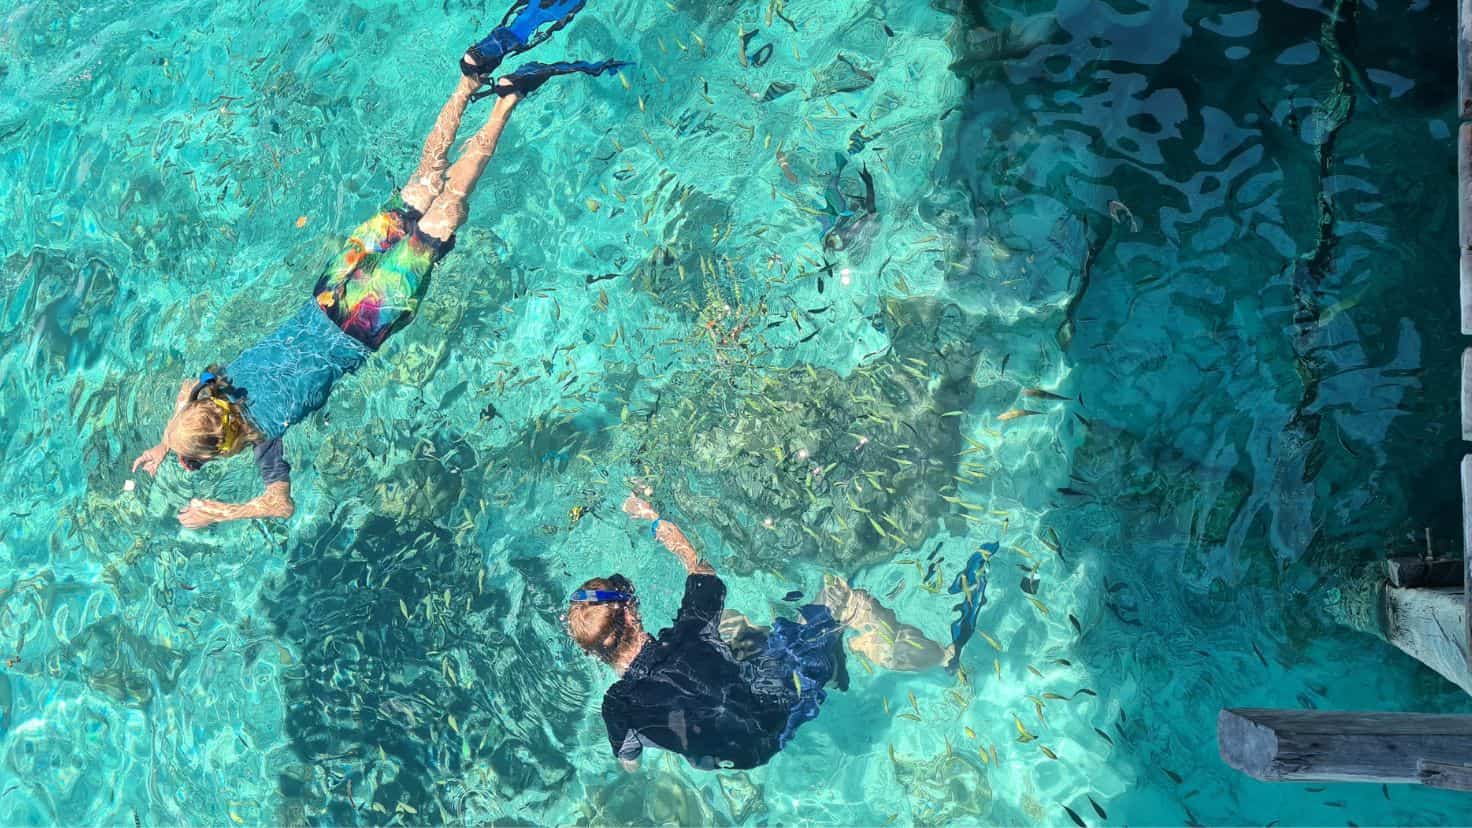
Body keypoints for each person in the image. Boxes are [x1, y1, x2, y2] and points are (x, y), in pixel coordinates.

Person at [128, 0, 626, 529]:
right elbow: (188, 393)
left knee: (445, 210)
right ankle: (467, 83)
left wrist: (222, 512)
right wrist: (166, 442)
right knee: (421, 186)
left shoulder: (265, 437)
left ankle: (505, 101)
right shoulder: (216, 384)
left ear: (223, 442)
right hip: (332, 288)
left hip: (365, 321)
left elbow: (280, 504)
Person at [566, 494, 952, 771]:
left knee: (734, 628)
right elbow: (701, 569)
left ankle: (828, 664)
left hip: (742, 758)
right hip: (779, 707)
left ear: (592, 651)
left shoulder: (617, 707)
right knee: (844, 596)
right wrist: (651, 516)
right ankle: (940, 659)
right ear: (632, 617)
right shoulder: (690, 630)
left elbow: (629, 763)